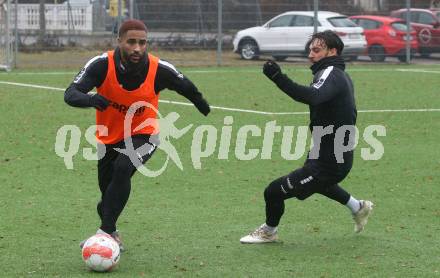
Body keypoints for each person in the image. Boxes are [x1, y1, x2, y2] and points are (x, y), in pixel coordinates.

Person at [64, 19, 210, 251]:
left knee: (123, 167)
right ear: (119, 41)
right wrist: (90, 99)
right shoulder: (101, 65)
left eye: (142, 43)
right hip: (108, 138)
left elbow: (185, 85)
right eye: (131, 42)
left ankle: (103, 234)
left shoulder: (158, 69)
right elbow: (70, 94)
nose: (137, 48)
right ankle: (111, 231)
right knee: (107, 200)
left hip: (145, 134)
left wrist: (201, 102)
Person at [240, 30, 373, 244]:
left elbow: (312, 96)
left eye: (316, 50)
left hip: (330, 161)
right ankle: (359, 207)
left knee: (273, 192)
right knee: (321, 184)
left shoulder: (332, 73)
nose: (310, 54)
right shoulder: (333, 73)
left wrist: (278, 77)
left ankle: (269, 231)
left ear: (333, 51)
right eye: (310, 49)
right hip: (328, 153)